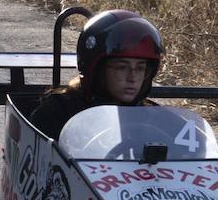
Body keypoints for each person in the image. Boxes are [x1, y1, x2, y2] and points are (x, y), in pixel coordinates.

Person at [28, 11, 164, 141]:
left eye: (140, 68)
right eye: (122, 67)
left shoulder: (152, 116)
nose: (132, 78)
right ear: (98, 69)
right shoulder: (57, 112)